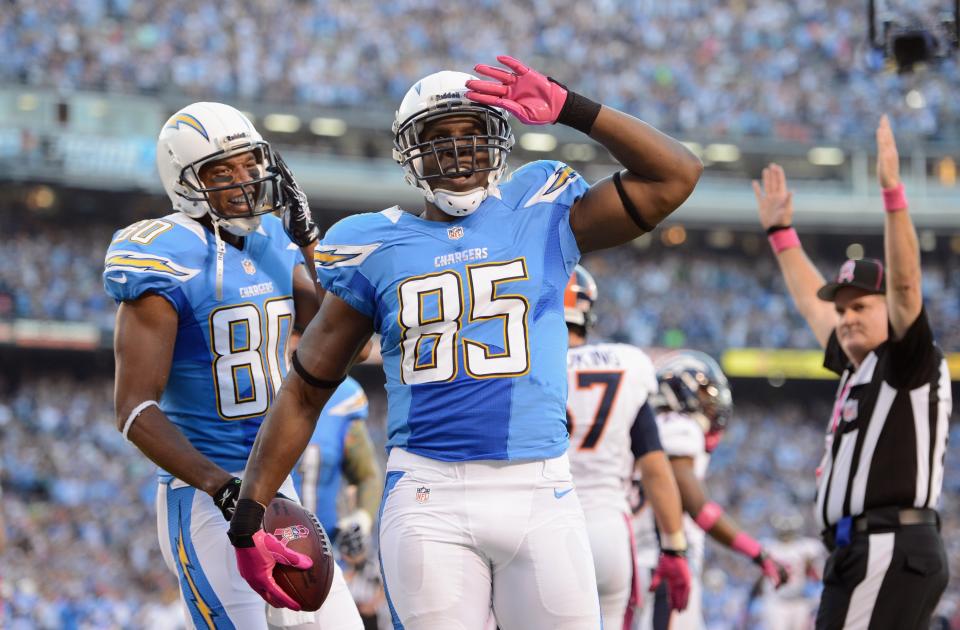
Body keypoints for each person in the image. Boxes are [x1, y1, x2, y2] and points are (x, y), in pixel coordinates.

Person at [228, 55, 702, 630]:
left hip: (542, 488)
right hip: (431, 495)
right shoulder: (375, 246)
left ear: (497, 141)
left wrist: (572, 108)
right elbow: (305, 389)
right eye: (439, 137)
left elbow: (676, 175)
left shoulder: (542, 211)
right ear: (411, 152)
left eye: (472, 134)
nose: (457, 151)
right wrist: (248, 513)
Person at [106, 101, 362, 629]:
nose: (244, 181)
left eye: (250, 164)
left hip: (276, 482)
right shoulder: (164, 253)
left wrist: (309, 237)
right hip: (206, 495)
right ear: (185, 182)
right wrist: (222, 489)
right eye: (222, 171)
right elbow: (133, 409)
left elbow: (346, 338)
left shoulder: (276, 238)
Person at [753, 115, 950, 629]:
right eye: (844, 310)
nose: (847, 318)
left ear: (891, 314)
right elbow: (813, 308)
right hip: (864, 549)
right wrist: (780, 233)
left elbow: (906, 288)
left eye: (862, 307)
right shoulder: (859, 365)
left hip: (888, 542)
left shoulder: (906, 362)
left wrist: (892, 195)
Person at [563, 264, 691, 628]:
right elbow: (654, 465)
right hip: (608, 530)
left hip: (544, 525)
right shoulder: (627, 364)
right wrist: (674, 546)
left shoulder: (525, 366)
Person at [635, 350, 788, 630]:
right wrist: (757, 552)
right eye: (705, 393)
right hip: (663, 563)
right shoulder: (677, 425)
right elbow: (698, 507)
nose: (712, 401)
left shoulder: (647, 426)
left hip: (648, 561)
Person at [291, 340, 382, 560]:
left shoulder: (345, 396)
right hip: (263, 555)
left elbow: (367, 476)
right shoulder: (258, 391)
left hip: (326, 559)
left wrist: (360, 519)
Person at [755, 512, 825, 630]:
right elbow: (759, 576)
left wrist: (810, 567)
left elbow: (817, 575)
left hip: (799, 599)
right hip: (776, 600)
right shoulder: (768, 546)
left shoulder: (806, 547)